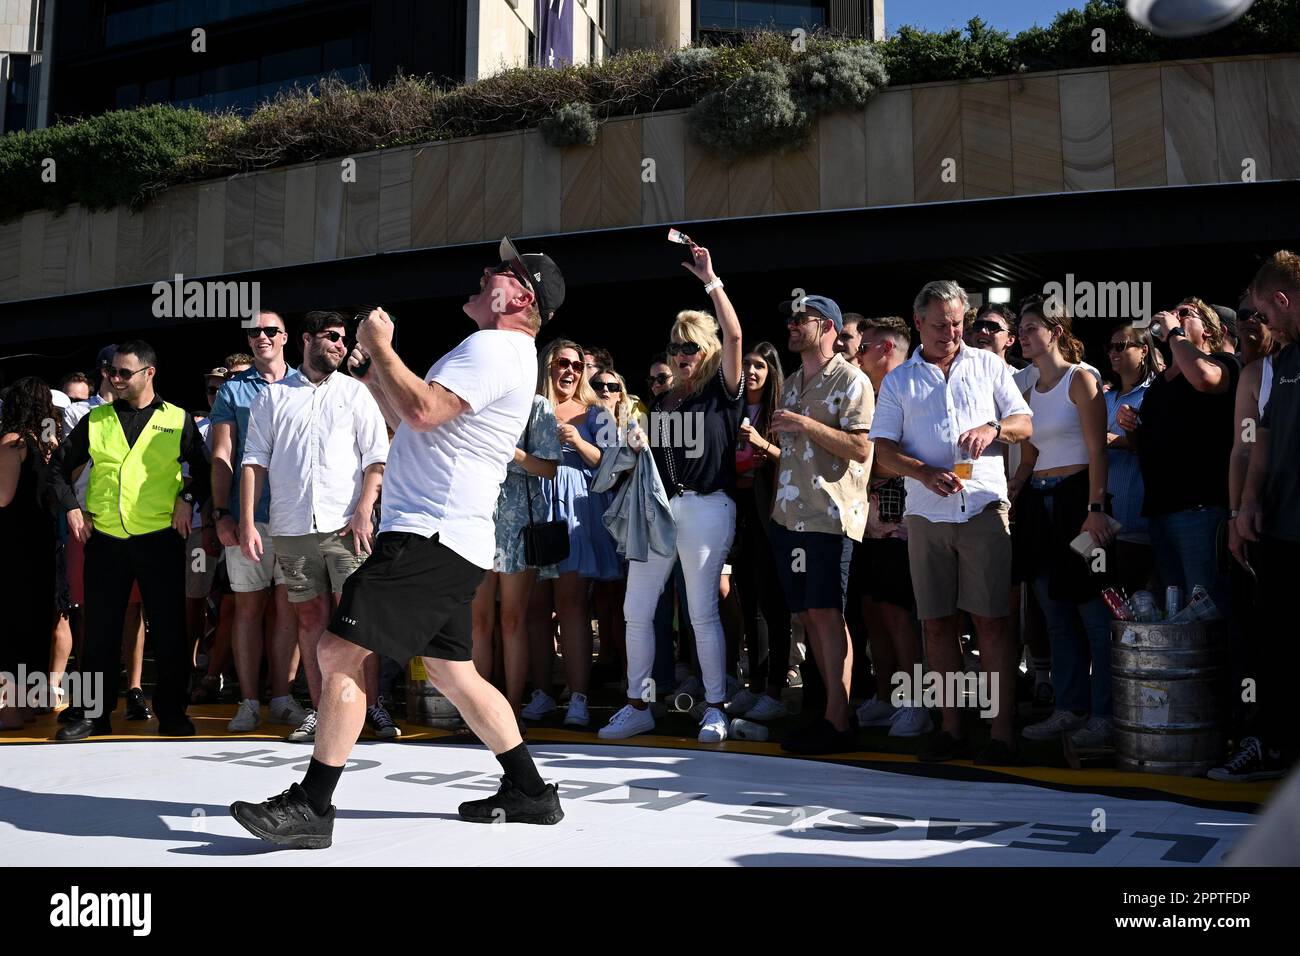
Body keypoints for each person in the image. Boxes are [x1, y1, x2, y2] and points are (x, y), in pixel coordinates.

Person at [230, 238, 568, 846]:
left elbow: (421, 412)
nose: (487, 270)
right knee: (452, 671)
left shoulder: (496, 347)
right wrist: (369, 367)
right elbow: (404, 411)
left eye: (502, 270)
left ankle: (313, 807)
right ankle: (530, 791)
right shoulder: (505, 352)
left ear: (518, 296)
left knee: (336, 653)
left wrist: (385, 347)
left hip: (428, 535)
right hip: (447, 536)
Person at [872, 281, 1033, 765]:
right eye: (940, 324)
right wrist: (921, 471)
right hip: (926, 514)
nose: (951, 332)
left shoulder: (989, 364)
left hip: (984, 508)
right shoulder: (900, 381)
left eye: (958, 323)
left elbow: (1024, 423)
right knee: (937, 626)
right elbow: (881, 452)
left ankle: (1002, 733)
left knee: (992, 622)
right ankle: (950, 728)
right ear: (918, 322)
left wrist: (994, 428)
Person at [599, 243, 743, 743]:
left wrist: (711, 280)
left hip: (706, 507)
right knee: (635, 609)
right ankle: (638, 703)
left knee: (701, 610)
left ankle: (716, 705)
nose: (681, 355)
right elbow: (653, 465)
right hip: (661, 510)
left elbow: (736, 333)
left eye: (691, 347)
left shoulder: (722, 391)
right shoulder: (664, 404)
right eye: (675, 347)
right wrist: (637, 446)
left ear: (708, 350)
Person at [240, 311, 392, 743]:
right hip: (291, 525)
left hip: (348, 525)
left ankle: (373, 706)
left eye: (344, 339)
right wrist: (250, 522)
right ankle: (322, 708)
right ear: (306, 339)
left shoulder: (356, 393)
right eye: (331, 337)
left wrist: (365, 508)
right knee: (311, 619)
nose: (340, 345)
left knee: (359, 619)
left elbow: (375, 459)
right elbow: (254, 462)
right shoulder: (271, 397)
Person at [48, 341, 211, 740]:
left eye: (124, 372)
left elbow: (207, 473)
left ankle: (172, 712)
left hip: (161, 539)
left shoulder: (177, 419)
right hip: (105, 539)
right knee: (100, 631)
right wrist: (71, 506)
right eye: (111, 372)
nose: (115, 378)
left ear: (149, 373)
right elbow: (56, 469)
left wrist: (186, 499)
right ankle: (92, 714)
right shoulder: (96, 420)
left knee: (171, 631)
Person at [764, 293, 873, 755]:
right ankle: (826, 711)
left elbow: (862, 448)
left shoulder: (852, 380)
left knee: (828, 615)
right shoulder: (790, 382)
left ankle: (839, 718)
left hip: (830, 516)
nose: (791, 325)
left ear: (827, 327)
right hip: (791, 517)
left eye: (801, 320)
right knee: (807, 615)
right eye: (790, 319)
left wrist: (805, 426)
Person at [1011, 301, 1115, 749]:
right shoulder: (1029, 390)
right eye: (1021, 330)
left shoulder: (1081, 378)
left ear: (1055, 332)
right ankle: (1068, 710)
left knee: (1092, 611)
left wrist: (1096, 508)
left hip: (1077, 503)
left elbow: (1098, 450)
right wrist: (1011, 495)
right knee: (1054, 613)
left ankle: (1105, 714)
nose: (1023, 336)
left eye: (1032, 328)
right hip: (1038, 504)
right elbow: (1031, 456)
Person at [1218, 250, 1300, 782]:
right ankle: (1276, 749)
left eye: (1262, 314)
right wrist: (1245, 504)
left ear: (1282, 300)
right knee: (1278, 647)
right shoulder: (1282, 365)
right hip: (1283, 530)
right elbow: (1258, 440)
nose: (1260, 325)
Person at [210, 312, 307, 733]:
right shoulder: (232, 389)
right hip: (244, 516)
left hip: (298, 516)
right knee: (247, 610)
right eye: (254, 331)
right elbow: (221, 457)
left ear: (285, 337)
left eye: (270, 330)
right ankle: (249, 702)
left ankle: (283, 700)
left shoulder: (307, 383)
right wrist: (220, 513)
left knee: (291, 611)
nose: (261, 336)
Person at [1117, 298, 1240, 611]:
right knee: (1173, 610)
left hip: (1199, 510)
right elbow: (1142, 446)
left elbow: (1203, 378)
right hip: (1160, 513)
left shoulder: (1223, 364)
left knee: (1205, 607)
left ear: (1210, 331)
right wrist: (1131, 425)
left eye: (1186, 314)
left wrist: (1174, 334)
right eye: (1174, 312)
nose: (1175, 317)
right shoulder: (1160, 384)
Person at [522, 339, 620, 727]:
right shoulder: (525, 407)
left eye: (577, 366)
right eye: (562, 363)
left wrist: (579, 442)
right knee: (535, 608)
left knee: (573, 606)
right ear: (548, 365)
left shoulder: (596, 412)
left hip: (576, 508)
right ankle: (543, 692)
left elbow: (614, 465)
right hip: (533, 507)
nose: (570, 371)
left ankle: (578, 697)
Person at [848, 317, 931, 737]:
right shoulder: (867, 395)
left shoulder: (913, 391)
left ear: (884, 350)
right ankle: (886, 698)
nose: (855, 355)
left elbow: (882, 458)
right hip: (866, 523)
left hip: (903, 524)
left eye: (863, 348)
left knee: (900, 615)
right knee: (872, 611)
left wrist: (873, 460)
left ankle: (917, 703)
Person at [471, 369, 560, 716]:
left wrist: (512, 453)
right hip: (477, 520)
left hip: (518, 526)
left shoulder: (536, 406)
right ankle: (480, 711)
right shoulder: (475, 404)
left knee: (512, 619)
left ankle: (509, 709)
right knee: (478, 622)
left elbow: (550, 469)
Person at [725, 341, 794, 723]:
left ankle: (775, 689)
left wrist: (762, 444)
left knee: (773, 602)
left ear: (771, 375)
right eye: (747, 364)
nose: (751, 371)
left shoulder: (781, 412)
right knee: (747, 601)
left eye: (759, 367)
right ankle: (753, 686)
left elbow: (795, 460)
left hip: (771, 513)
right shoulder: (731, 409)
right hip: (739, 511)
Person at [0, 379, 59, 729]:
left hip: (13, 544)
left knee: (9, 623)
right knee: (34, 620)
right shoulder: (47, 444)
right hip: (42, 541)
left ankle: (7, 710)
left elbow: (2, 497)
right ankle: (26, 704)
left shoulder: (12, 442)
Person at [1103, 324, 1160, 597]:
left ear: (1144, 350)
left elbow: (1157, 445)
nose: (1113, 352)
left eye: (1121, 346)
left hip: (1138, 522)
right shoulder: (1104, 398)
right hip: (1103, 525)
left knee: (1138, 605)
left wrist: (1111, 440)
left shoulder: (1155, 394)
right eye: (1110, 347)